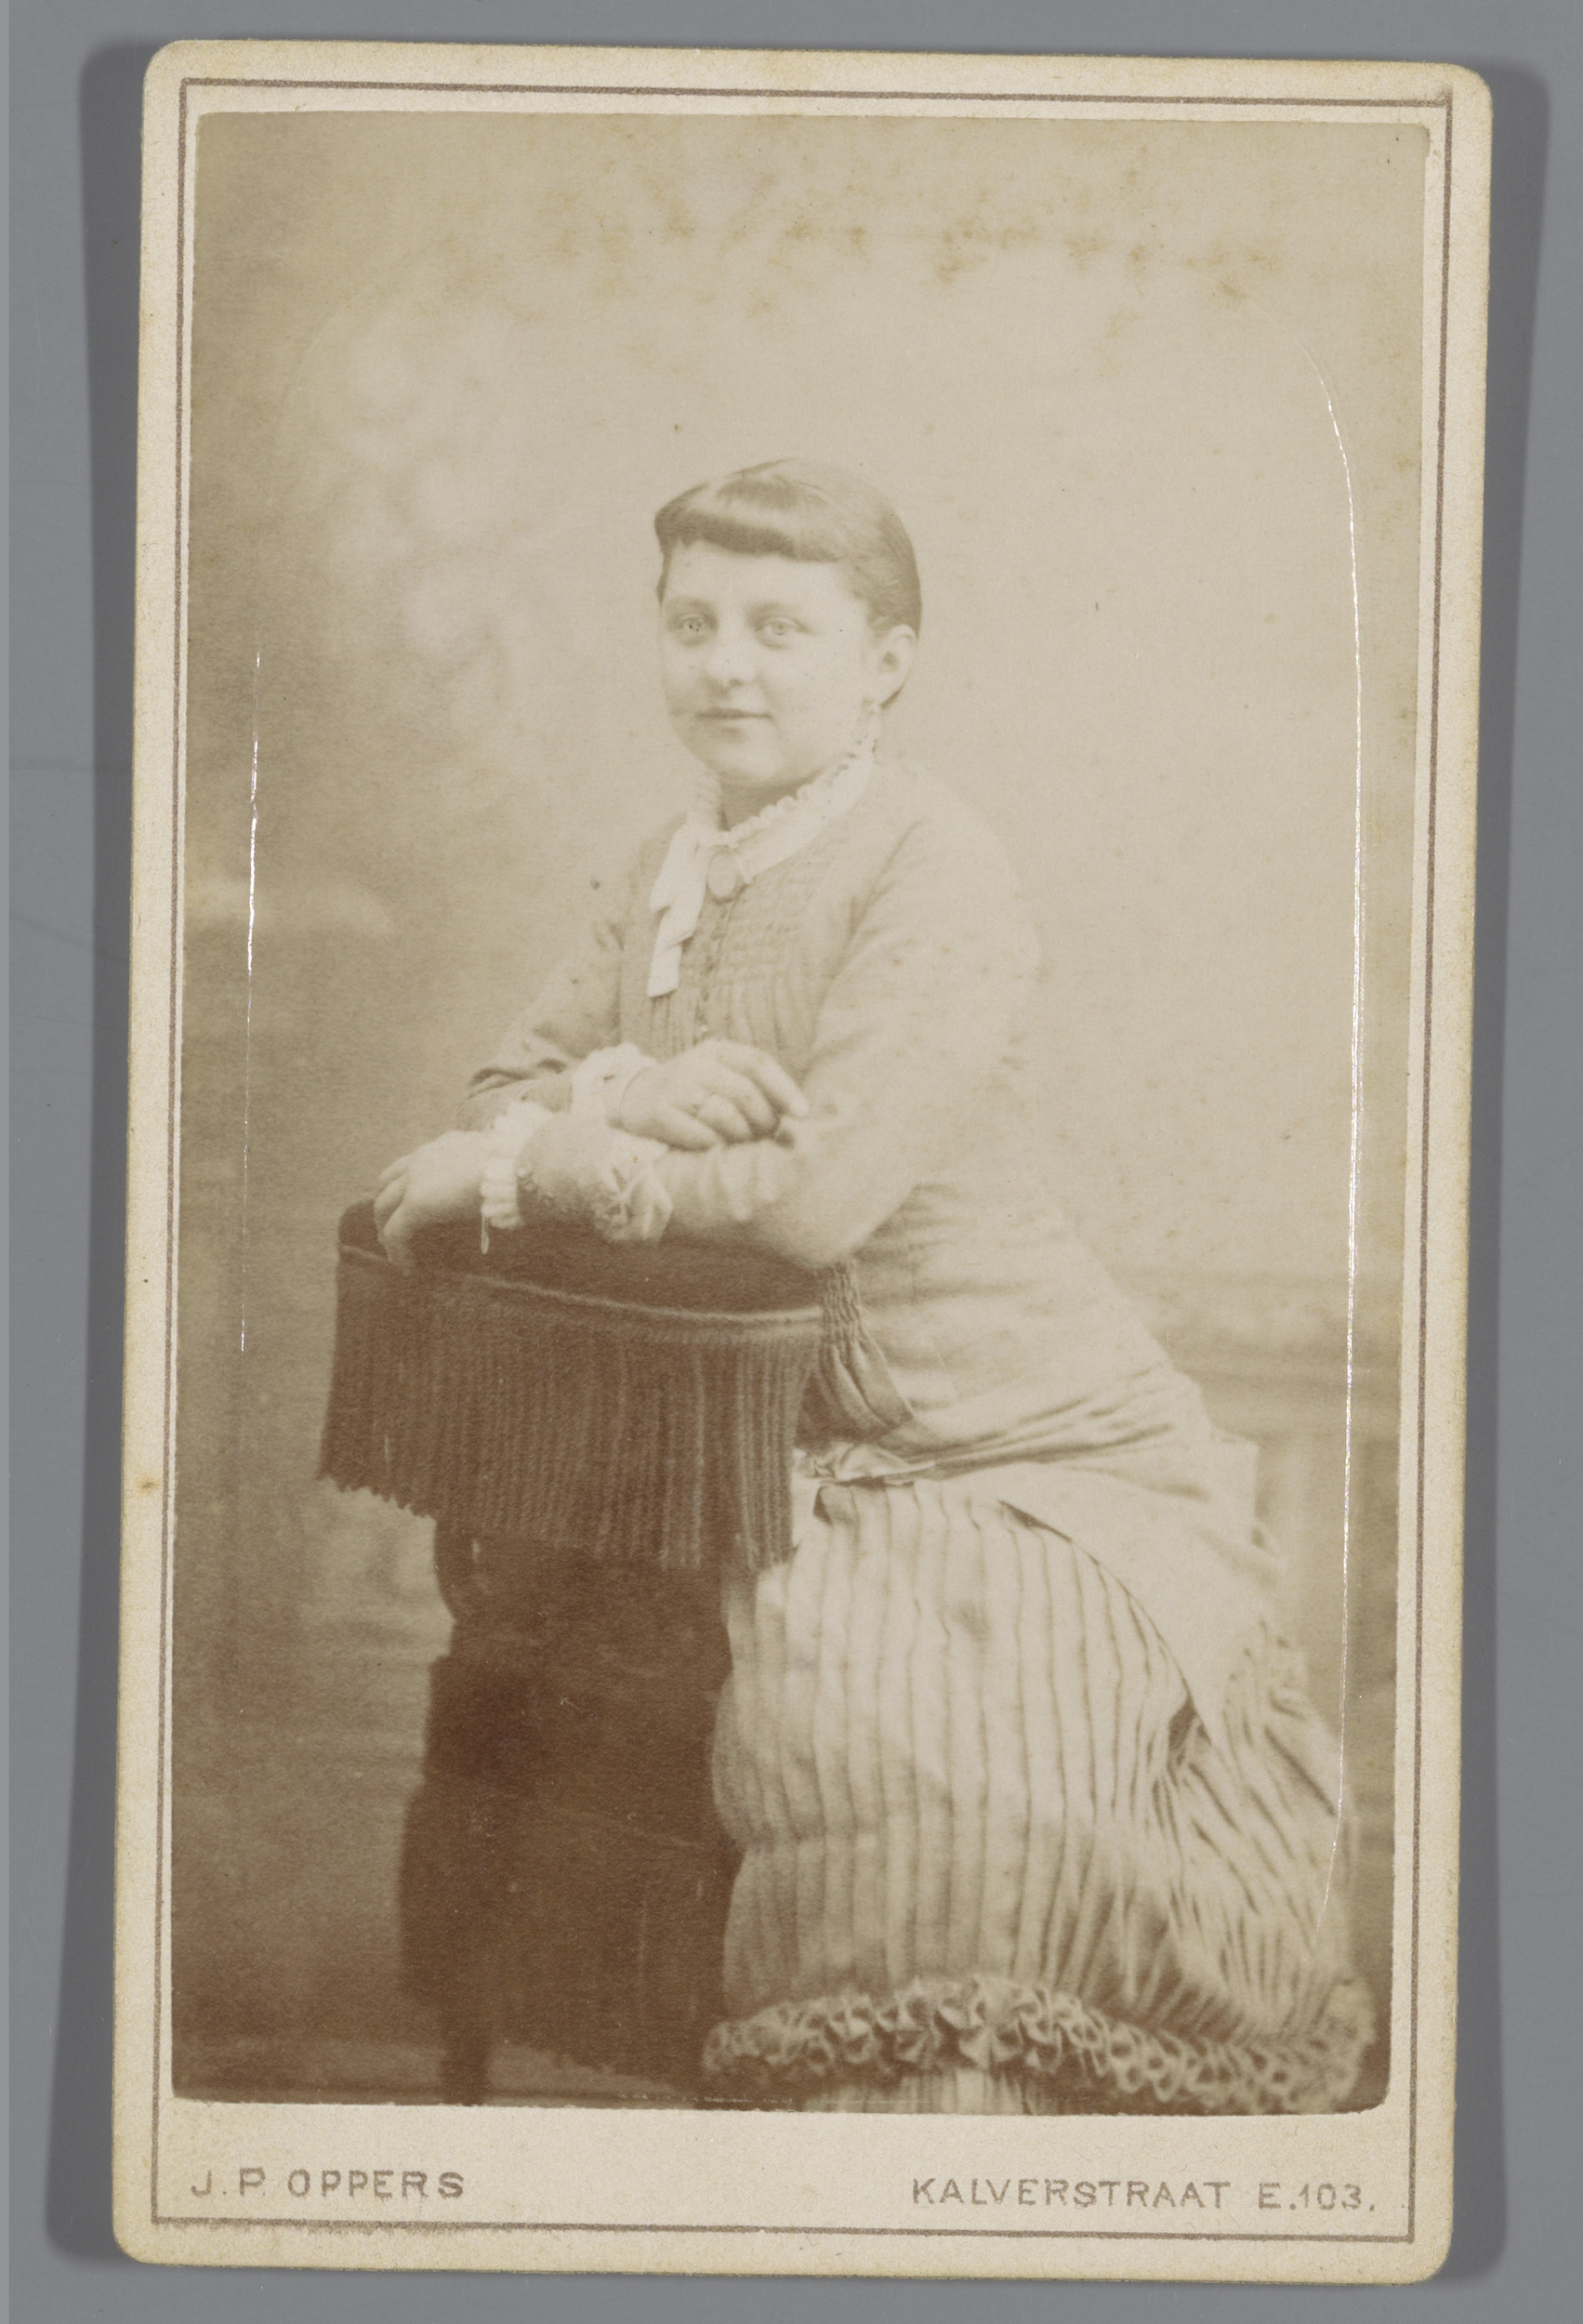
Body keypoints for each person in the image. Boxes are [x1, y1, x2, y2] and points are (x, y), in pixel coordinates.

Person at [374, 456, 1372, 2115]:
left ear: (884, 662)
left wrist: (541, 1168)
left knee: (956, 1787)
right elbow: (501, 1083)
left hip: (1016, 1449)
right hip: (773, 1446)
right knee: (831, 1726)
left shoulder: (934, 868)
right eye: (694, 624)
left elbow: (812, 1204)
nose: (727, 666)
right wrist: (627, 1090)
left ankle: (942, 2181)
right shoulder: (665, 865)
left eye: (780, 629)